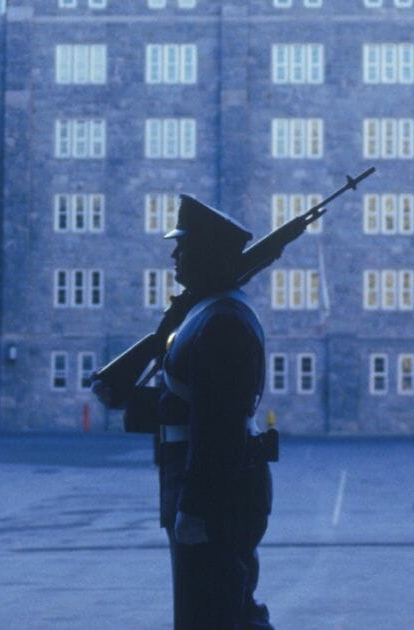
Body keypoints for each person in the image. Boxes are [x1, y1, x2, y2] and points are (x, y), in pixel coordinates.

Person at [160, 195, 273, 629]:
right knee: (210, 612)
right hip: (211, 490)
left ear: (207, 254)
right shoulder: (208, 312)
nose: (174, 255)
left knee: (220, 613)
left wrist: (195, 506)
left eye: (183, 247)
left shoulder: (221, 320)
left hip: (216, 496)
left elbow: (218, 428)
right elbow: (189, 401)